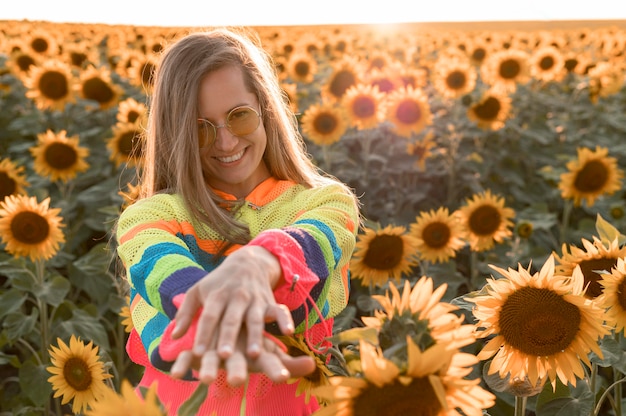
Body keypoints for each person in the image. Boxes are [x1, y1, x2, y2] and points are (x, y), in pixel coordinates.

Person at [114, 27, 360, 416]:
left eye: (239, 116)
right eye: (200, 128)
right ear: (177, 135)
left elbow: (314, 244)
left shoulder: (326, 203)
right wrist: (211, 312)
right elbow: (165, 273)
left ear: (265, 109)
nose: (226, 142)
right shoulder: (150, 217)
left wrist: (259, 261)